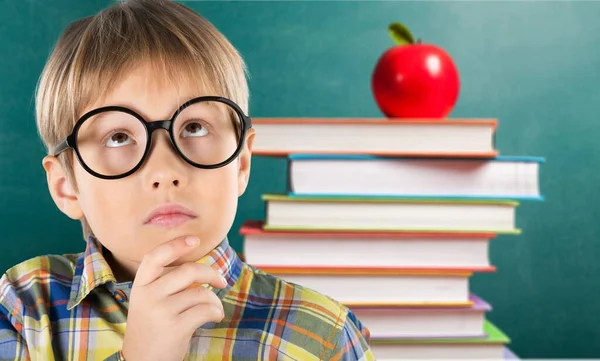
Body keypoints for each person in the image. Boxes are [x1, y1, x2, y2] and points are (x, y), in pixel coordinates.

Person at [0, 1, 375, 360]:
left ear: (241, 164)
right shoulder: (23, 307)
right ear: (67, 185)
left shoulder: (322, 338)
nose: (165, 171)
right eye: (118, 137)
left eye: (194, 127)